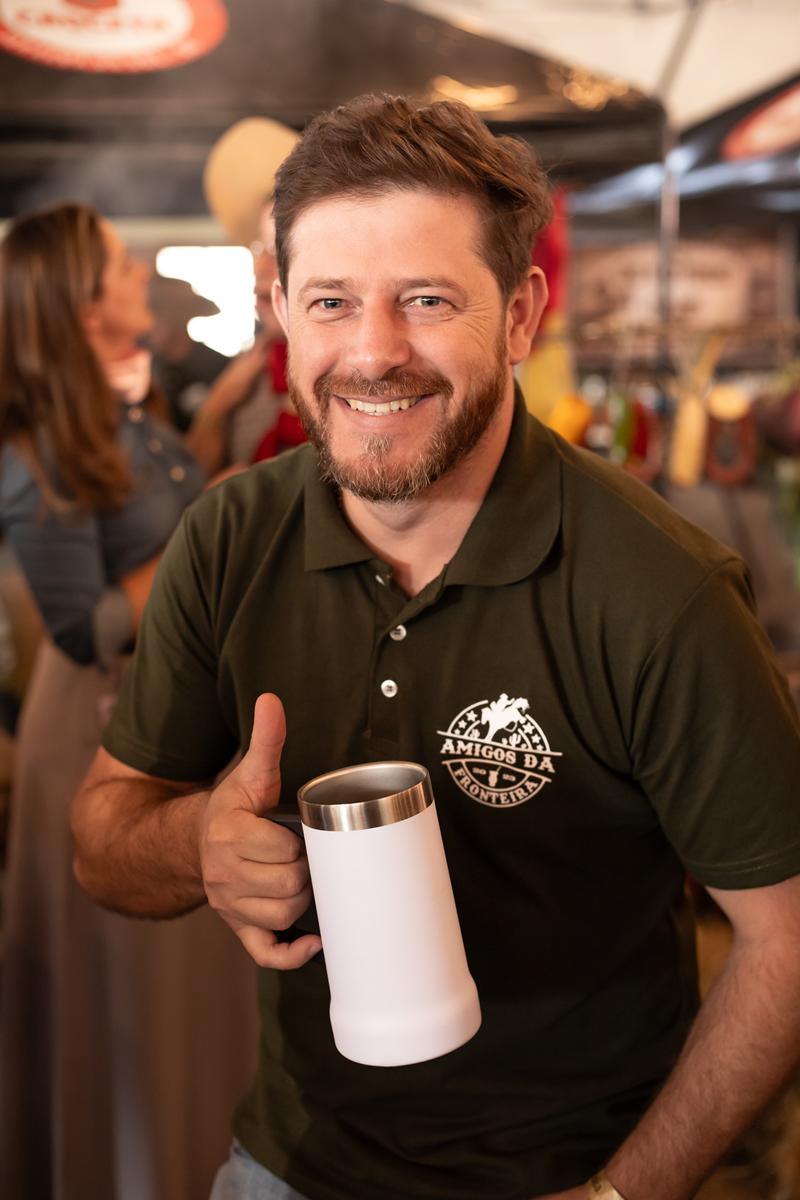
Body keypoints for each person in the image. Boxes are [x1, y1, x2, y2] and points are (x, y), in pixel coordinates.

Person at [71, 96, 800, 1200]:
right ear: (281, 309)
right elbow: (101, 839)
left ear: (519, 316)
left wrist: (617, 1196)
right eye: (331, 301)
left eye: (425, 299)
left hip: (579, 1168)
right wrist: (196, 845)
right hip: (291, 1164)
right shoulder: (229, 536)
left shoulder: (660, 589)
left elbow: (783, 941)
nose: (372, 353)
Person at [0, 202, 258, 1200]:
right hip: (99, 723)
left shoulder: (125, 415)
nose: (139, 272)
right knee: (125, 983)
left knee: (175, 987)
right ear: (79, 305)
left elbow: (165, 509)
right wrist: (207, 539)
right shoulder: (35, 450)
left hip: (161, 704)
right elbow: (85, 624)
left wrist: (220, 416)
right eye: (118, 266)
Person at [202, 116, 307, 465]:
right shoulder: (251, 372)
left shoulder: (358, 371)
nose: (259, 267)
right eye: (257, 249)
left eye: (276, 251)